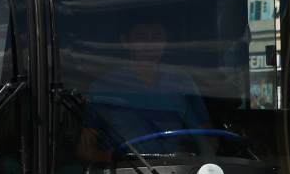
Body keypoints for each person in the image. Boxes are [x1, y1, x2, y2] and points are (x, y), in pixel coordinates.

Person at [77, 11, 208, 164]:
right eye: (141, 38)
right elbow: (85, 149)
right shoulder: (105, 86)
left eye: (157, 37)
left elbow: (206, 138)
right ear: (125, 41)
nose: (150, 46)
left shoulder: (182, 82)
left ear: (166, 40)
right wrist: (108, 158)